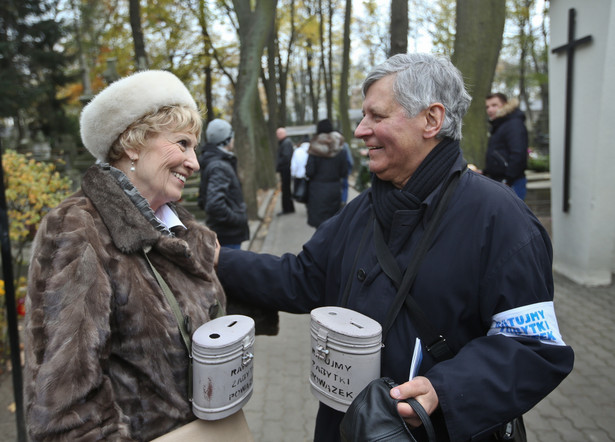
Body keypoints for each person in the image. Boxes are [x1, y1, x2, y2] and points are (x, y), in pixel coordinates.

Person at [214, 53, 573, 441]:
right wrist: (214, 258)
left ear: (431, 120)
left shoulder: (501, 220)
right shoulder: (361, 211)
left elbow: (535, 349)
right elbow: (301, 278)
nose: (360, 130)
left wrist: (445, 391)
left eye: (377, 116)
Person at [24, 70, 226, 440]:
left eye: (194, 147)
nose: (194, 162)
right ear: (133, 143)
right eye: (182, 143)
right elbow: (65, 408)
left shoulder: (180, 229)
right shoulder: (77, 230)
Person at [198, 118, 249, 249]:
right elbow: (214, 205)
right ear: (227, 139)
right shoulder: (219, 165)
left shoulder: (213, 160)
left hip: (224, 233)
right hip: (228, 235)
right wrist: (238, 219)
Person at [483, 92, 529, 199]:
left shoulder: (513, 124)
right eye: (487, 107)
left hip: (512, 183)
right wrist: (486, 172)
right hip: (501, 182)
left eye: (494, 105)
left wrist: (507, 180)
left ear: (505, 105)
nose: (490, 110)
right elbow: (499, 154)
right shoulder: (500, 125)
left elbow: (518, 154)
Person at [305, 119, 349, 228]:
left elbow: (309, 172)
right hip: (334, 189)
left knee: (320, 225)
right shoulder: (340, 148)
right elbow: (344, 172)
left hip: (317, 190)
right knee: (333, 224)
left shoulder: (314, 148)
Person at [275, 127, 295, 215]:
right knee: (286, 190)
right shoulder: (285, 142)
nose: (277, 136)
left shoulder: (286, 143)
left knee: (286, 190)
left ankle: (287, 208)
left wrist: (279, 165)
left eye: (279, 134)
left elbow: (286, 157)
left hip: (285, 170)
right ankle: (289, 208)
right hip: (285, 169)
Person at [291, 135, 310, 203]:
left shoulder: (297, 151)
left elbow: (294, 165)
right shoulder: (314, 150)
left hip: (299, 176)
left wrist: (293, 174)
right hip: (311, 177)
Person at [340, 138, 354, 205]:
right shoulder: (345, 145)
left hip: (334, 172)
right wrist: (349, 170)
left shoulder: (330, 146)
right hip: (344, 170)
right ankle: (343, 201)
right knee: (345, 187)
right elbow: (350, 160)